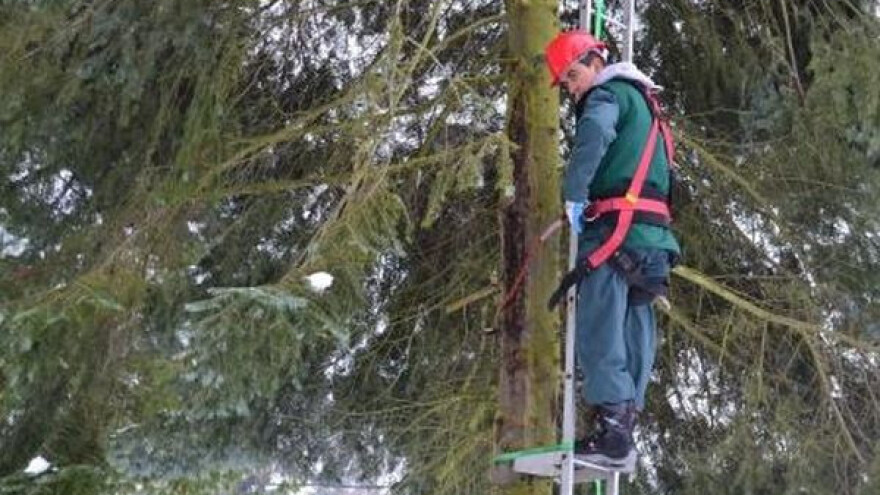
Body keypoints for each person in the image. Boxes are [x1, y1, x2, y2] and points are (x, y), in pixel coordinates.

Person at [544, 31, 681, 472]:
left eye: (573, 74)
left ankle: (611, 429)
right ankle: (622, 427)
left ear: (595, 60)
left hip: (614, 234)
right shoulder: (648, 106)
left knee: (600, 325)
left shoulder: (606, 96)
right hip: (652, 239)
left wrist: (574, 193)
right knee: (634, 324)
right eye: (566, 83)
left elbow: (595, 135)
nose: (572, 87)